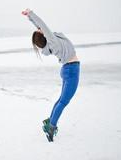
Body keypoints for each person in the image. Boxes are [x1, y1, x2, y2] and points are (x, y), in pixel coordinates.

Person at [22, 8, 80, 142]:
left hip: (68, 69)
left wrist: (30, 18)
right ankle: (51, 127)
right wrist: (30, 13)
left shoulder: (50, 43)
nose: (40, 29)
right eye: (40, 31)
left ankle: (50, 121)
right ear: (43, 35)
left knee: (61, 100)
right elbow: (42, 24)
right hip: (71, 70)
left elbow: (39, 26)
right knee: (63, 101)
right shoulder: (53, 41)